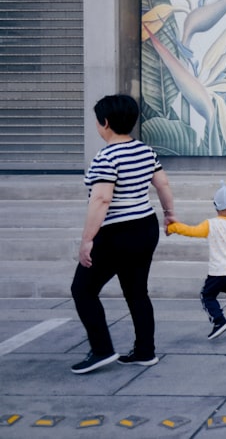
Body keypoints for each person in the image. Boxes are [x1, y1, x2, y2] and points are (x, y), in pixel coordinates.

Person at [71, 94, 175, 374]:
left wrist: (87, 240)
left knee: (82, 290)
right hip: (145, 226)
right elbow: (162, 184)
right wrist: (169, 214)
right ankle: (145, 351)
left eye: (97, 120)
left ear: (104, 123)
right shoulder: (145, 151)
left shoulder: (106, 157)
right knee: (137, 291)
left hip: (116, 232)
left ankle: (102, 349)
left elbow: (101, 200)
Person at [166, 181, 226, 341]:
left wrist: (173, 227)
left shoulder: (210, 224)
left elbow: (191, 231)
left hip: (219, 272)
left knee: (207, 295)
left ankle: (219, 320)